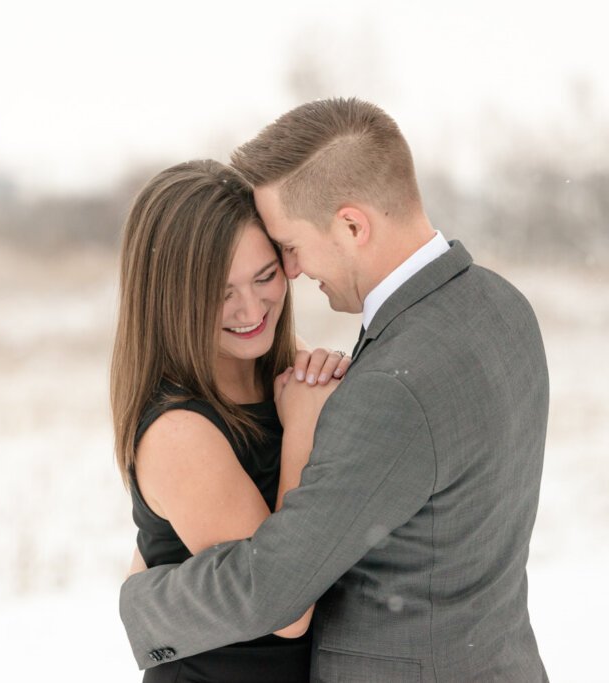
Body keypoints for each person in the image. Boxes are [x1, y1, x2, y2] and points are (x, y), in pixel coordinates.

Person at [119, 98, 549, 682]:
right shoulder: (500, 306)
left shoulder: (390, 386)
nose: (292, 274)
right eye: (223, 290)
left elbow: (278, 587)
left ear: (351, 225)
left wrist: (142, 600)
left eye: (280, 257)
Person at [111, 159, 349, 682]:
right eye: (220, 293)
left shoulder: (281, 365)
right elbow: (283, 609)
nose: (250, 310)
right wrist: (305, 433)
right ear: (171, 299)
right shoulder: (178, 431)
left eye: (265, 277)